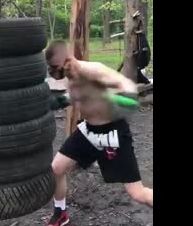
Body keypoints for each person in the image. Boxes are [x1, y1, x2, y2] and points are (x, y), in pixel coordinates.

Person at [45, 40, 153, 226]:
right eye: (54, 70)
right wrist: (60, 102)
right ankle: (60, 213)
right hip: (88, 132)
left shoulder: (94, 69)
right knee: (56, 169)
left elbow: (126, 85)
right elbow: (79, 95)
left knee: (137, 193)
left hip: (112, 135)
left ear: (69, 60)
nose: (59, 74)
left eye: (60, 68)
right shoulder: (70, 75)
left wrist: (119, 98)